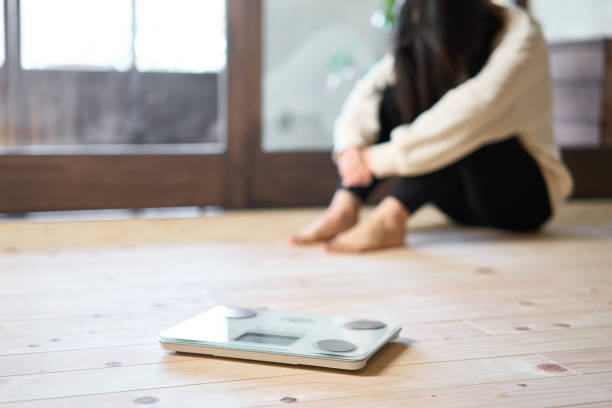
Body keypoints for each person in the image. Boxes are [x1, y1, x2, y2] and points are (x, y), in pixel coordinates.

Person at [290, 0, 573, 253]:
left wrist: (372, 160)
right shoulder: (419, 23)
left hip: (522, 203)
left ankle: (392, 216)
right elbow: (371, 90)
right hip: (458, 203)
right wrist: (350, 149)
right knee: (395, 91)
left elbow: (471, 112)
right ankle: (345, 207)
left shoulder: (522, 36)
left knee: (459, 120)